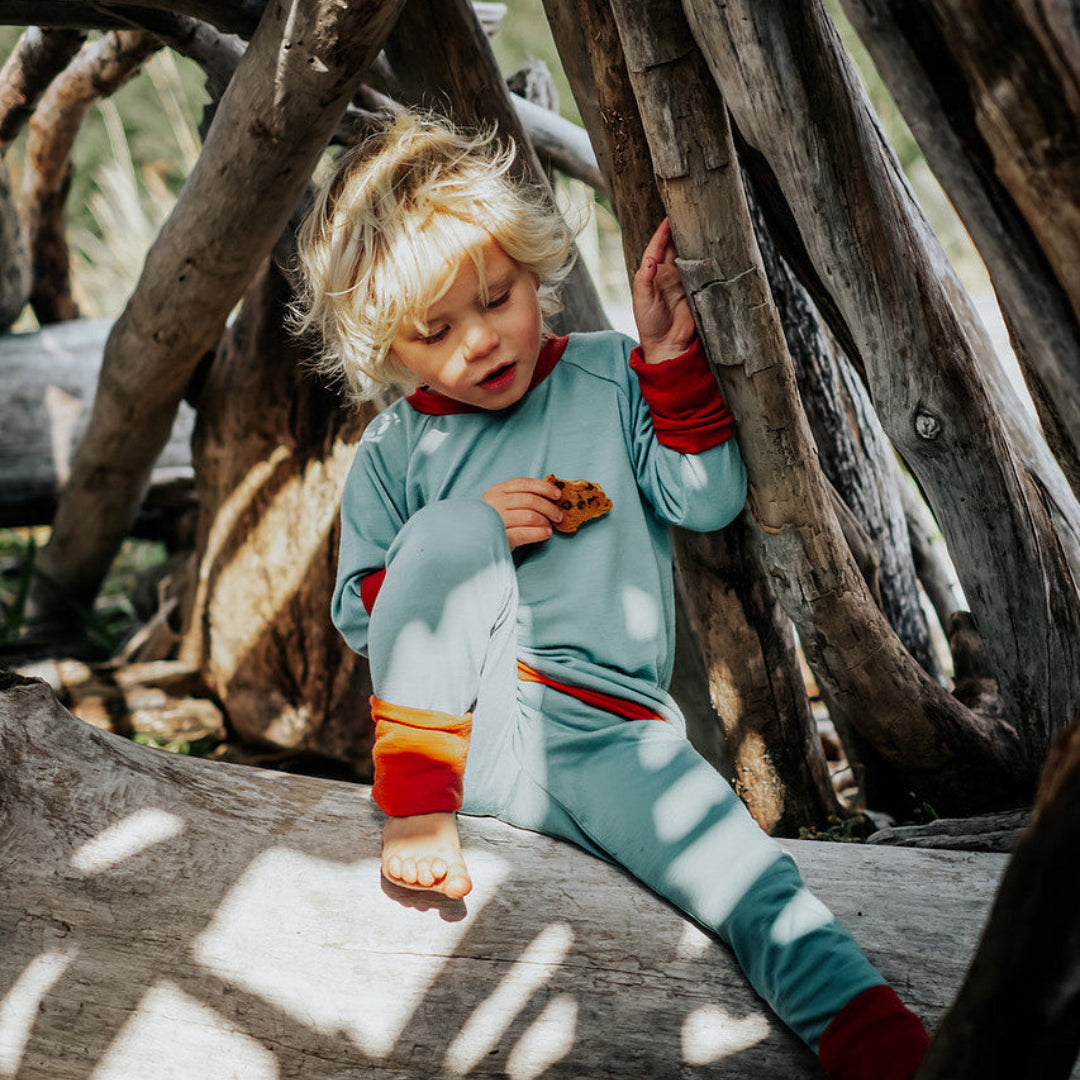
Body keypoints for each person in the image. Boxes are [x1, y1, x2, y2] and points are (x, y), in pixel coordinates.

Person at [292, 110, 929, 1080]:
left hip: (617, 739)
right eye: (435, 332)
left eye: (495, 299)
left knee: (757, 883)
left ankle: (891, 1050)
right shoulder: (392, 455)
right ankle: (414, 805)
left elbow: (704, 497)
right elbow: (363, 615)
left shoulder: (607, 377)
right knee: (450, 530)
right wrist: (469, 533)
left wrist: (670, 365)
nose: (479, 342)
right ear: (388, 351)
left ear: (530, 266)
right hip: (472, 727)